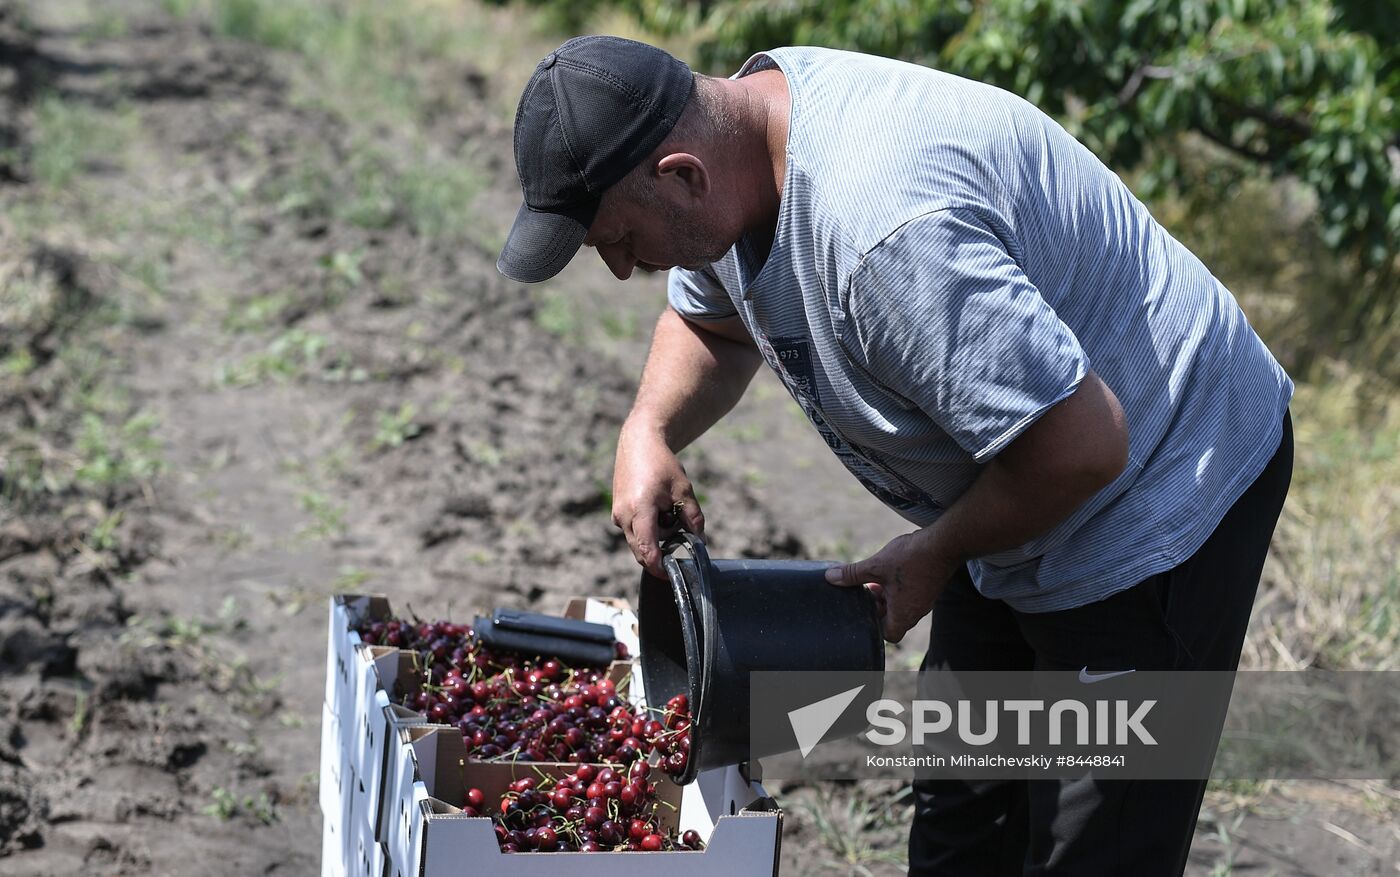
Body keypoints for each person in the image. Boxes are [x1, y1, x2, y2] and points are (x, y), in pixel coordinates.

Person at [496, 35, 1294, 877]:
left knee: (1093, 841)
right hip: (1020, 473)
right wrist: (646, 428)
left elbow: (1082, 446)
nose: (623, 268)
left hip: (1156, 485)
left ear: (681, 174)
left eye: (619, 238)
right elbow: (709, 322)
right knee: (963, 817)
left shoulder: (883, 236)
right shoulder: (736, 151)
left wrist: (939, 549)